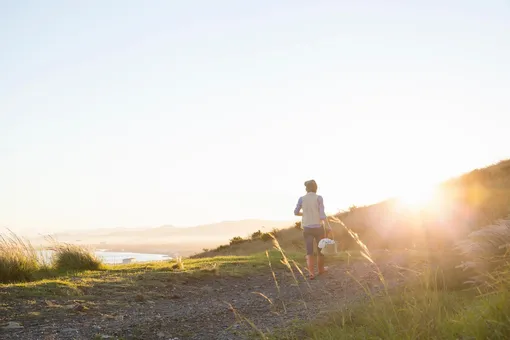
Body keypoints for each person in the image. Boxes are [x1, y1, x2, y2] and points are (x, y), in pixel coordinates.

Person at [294, 179, 332, 280]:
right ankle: (321, 270)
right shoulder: (319, 198)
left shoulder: (301, 199)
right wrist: (328, 226)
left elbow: (296, 212)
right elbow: (322, 215)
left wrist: (305, 213)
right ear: (316, 188)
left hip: (307, 228)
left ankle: (311, 273)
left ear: (306, 188)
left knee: (309, 251)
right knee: (320, 250)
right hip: (318, 228)